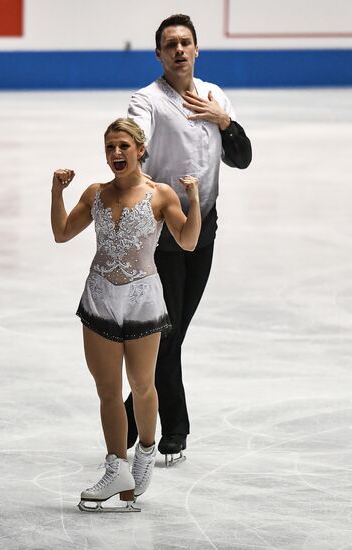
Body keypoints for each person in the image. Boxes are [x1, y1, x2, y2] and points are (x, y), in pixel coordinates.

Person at [50, 118, 201, 511]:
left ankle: (146, 450)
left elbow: (187, 241)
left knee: (142, 384)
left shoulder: (160, 194)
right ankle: (116, 464)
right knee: (107, 391)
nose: (116, 154)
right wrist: (56, 192)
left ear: (139, 149)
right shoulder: (95, 194)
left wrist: (195, 200)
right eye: (109, 148)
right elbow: (62, 233)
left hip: (141, 299)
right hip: (100, 297)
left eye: (123, 146)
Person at [125, 14, 252, 464]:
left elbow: (242, 158)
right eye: (169, 44)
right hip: (162, 232)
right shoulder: (147, 100)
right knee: (168, 333)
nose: (179, 50)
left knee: (171, 334)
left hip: (205, 226)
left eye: (185, 43)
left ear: (196, 50)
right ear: (159, 54)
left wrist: (223, 120)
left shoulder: (216, 95)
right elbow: (133, 143)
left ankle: (128, 416)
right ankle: (174, 429)